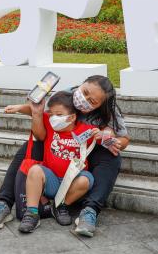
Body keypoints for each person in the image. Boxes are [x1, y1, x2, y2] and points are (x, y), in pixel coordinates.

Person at [0, 75, 130, 237]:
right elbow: (44, 114)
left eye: (93, 102)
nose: (85, 100)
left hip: (86, 152)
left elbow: (124, 139)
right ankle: (3, 203)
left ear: (100, 105)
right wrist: (22, 107)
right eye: (85, 92)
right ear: (81, 84)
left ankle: (89, 211)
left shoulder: (109, 111)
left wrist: (114, 141)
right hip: (56, 145)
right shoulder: (66, 95)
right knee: (30, 145)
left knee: (112, 157)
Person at [10, 91, 99, 233]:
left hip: (72, 183)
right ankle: (32, 213)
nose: (53, 118)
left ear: (72, 117)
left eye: (58, 114)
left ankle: (60, 206)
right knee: (35, 170)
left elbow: (107, 136)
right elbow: (34, 111)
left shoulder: (86, 130)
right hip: (51, 180)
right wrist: (20, 108)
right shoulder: (50, 125)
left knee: (87, 179)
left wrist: (104, 135)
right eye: (51, 114)